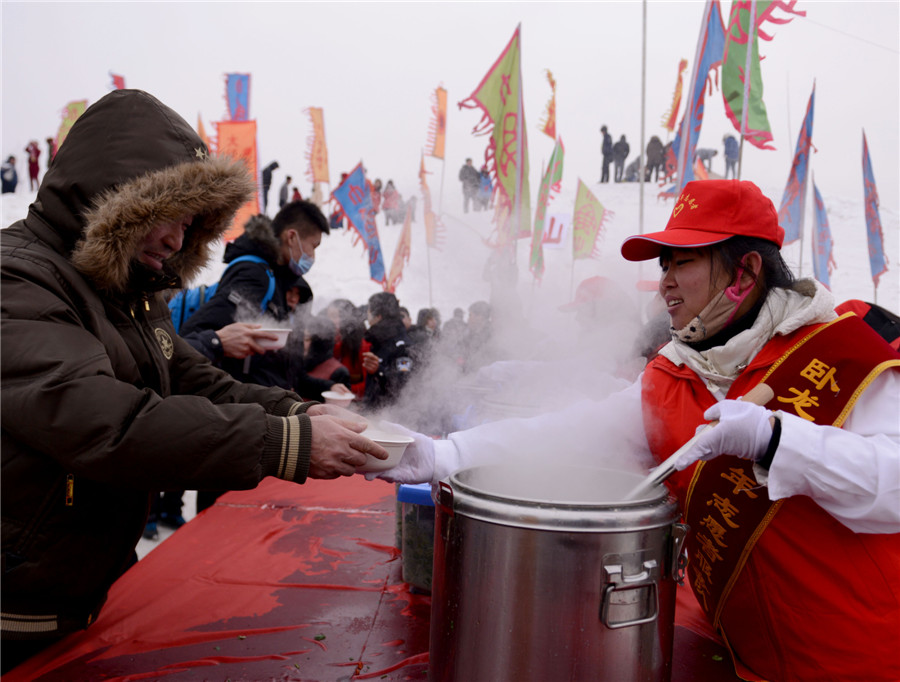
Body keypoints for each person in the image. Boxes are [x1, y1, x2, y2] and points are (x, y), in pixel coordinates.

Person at [369, 179, 900, 682]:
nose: (664, 281)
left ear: (745, 272)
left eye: (683, 262)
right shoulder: (674, 372)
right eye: (663, 264)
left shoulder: (839, 353)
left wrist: (778, 441)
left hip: (861, 659)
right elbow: (573, 432)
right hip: (741, 657)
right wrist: (442, 455)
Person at [0, 90, 387, 673]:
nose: (178, 241)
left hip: (83, 583)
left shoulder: (125, 288)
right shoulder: (18, 280)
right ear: (116, 199)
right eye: (169, 217)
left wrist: (295, 413)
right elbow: (108, 424)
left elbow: (191, 379)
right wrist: (285, 444)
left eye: (190, 225)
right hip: (18, 602)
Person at [361, 292, 415, 411]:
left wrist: (378, 370)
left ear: (378, 316)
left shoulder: (402, 346)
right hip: (374, 415)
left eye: (369, 312)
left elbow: (404, 385)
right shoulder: (380, 341)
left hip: (392, 419)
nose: (367, 317)